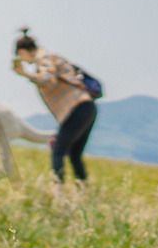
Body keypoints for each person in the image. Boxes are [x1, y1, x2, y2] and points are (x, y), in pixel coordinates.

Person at [12, 28, 97, 183]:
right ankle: (83, 191)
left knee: (58, 150)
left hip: (76, 107)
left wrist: (25, 74)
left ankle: (58, 192)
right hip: (87, 107)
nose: (22, 59)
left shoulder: (43, 57)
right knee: (74, 154)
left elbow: (47, 80)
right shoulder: (48, 56)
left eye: (20, 55)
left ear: (23, 51)